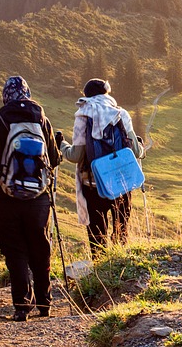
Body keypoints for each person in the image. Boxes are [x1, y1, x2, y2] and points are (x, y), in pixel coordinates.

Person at [0, 76, 60, 321]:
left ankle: (23, 306)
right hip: (38, 198)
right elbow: (53, 159)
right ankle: (45, 303)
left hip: (4, 197)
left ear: (5, 97)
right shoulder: (42, 121)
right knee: (40, 248)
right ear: (27, 94)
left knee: (15, 250)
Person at [58, 78, 145, 259]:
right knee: (121, 233)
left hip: (93, 184)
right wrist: (140, 146)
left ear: (87, 96)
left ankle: (100, 273)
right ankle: (121, 270)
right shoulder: (121, 113)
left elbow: (75, 156)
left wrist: (61, 145)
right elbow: (136, 152)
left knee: (97, 237)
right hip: (121, 184)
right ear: (107, 94)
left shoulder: (83, 115)